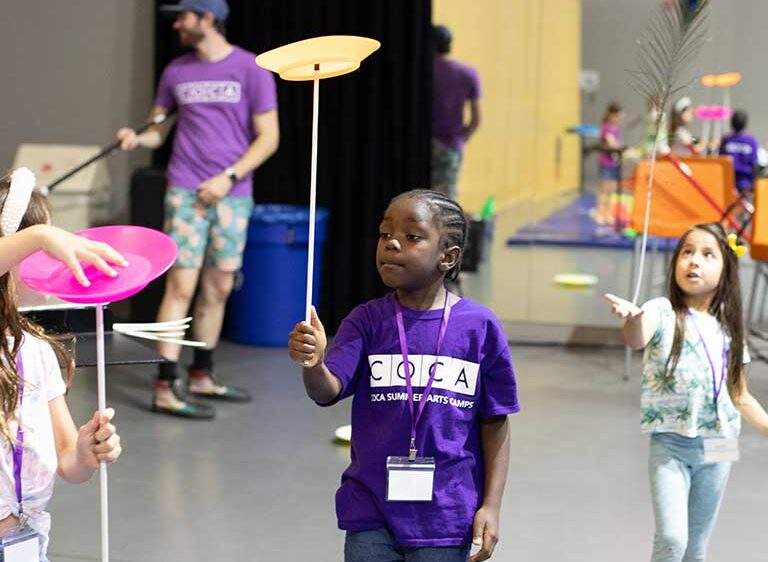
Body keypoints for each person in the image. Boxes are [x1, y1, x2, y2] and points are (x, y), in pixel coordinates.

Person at [288, 190, 519, 562]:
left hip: (446, 517)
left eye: (412, 236)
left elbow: (495, 422)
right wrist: (314, 363)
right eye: (384, 234)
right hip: (370, 509)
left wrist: (491, 506)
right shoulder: (366, 321)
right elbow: (326, 390)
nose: (392, 243)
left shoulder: (480, 327)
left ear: (448, 257)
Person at [116, 0, 279, 419]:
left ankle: (203, 375)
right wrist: (138, 138)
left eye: (183, 17)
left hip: (232, 195)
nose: (177, 25)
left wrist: (228, 177)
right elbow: (158, 131)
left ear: (207, 18)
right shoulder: (176, 72)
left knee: (218, 287)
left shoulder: (251, 68)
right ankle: (165, 384)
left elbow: (268, 137)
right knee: (180, 287)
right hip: (186, 193)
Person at [605, 222, 768, 562]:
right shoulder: (661, 310)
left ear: (726, 269)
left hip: (719, 446)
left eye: (707, 254)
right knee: (672, 539)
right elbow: (637, 338)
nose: (694, 261)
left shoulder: (730, 327)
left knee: (696, 549)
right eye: (687, 252)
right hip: (671, 446)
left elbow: (740, 395)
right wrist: (633, 319)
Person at [0, 170, 124, 560]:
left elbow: (68, 460)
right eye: (39, 249)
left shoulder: (37, 351)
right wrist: (39, 236)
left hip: (28, 538)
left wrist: (86, 452)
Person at [431, 25, 481, 200]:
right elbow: (475, 119)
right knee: (445, 205)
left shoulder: (422, 71)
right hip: (450, 145)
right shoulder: (467, 73)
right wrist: (461, 140)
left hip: (422, 145)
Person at [595, 102, 625, 225]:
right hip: (606, 163)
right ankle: (599, 213)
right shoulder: (606, 127)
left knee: (611, 189)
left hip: (614, 163)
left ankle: (607, 213)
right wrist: (620, 146)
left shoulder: (616, 129)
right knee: (604, 189)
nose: (619, 118)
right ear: (612, 115)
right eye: (618, 116)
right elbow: (611, 142)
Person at [719, 110, 759, 194]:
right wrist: (754, 182)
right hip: (744, 182)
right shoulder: (751, 141)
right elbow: (754, 163)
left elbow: (721, 159)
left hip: (729, 181)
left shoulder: (726, 140)